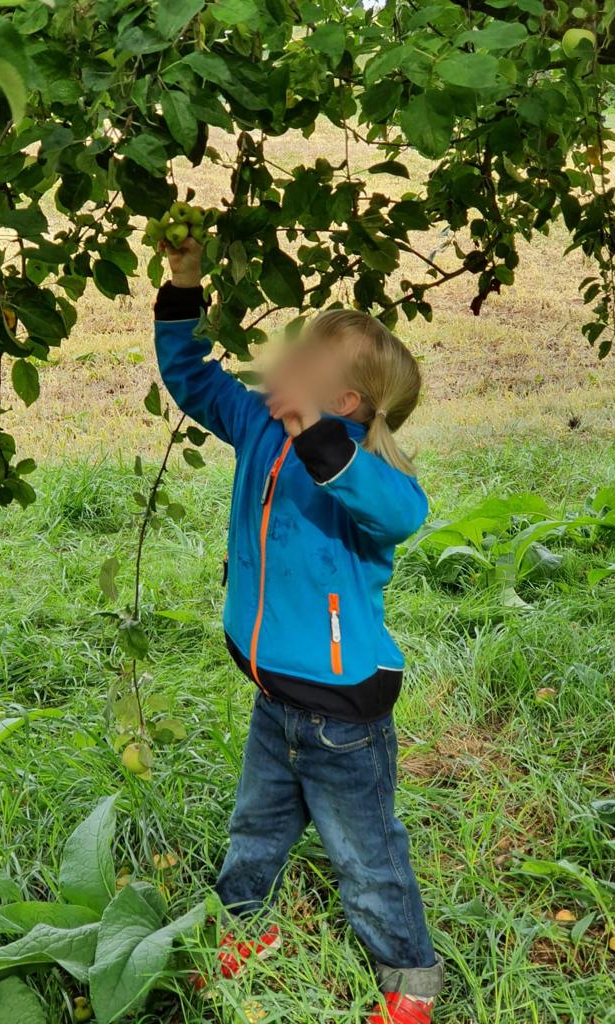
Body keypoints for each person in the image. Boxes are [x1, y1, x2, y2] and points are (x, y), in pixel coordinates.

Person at [153, 237, 443, 1024]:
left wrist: (318, 441)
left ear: (344, 401)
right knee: (255, 827)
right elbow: (191, 379)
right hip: (274, 694)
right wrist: (184, 283)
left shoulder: (359, 467)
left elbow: (402, 514)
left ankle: (410, 982)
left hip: (344, 712)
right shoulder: (256, 426)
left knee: (367, 858)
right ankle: (243, 930)